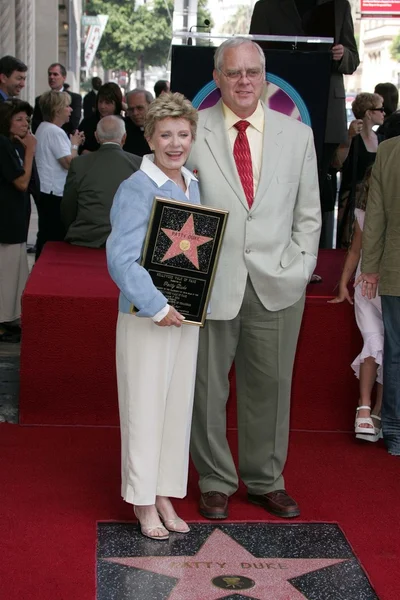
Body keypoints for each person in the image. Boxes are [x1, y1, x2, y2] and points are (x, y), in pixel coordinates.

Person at [187, 38, 321, 520]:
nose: (244, 81)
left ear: (265, 77)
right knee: (207, 388)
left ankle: (265, 479)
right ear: (217, 78)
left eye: (252, 72)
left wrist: (303, 267)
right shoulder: (191, 131)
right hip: (210, 283)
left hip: (278, 282)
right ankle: (215, 479)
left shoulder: (297, 136)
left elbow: (309, 214)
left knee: (271, 385)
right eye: (233, 72)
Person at [106, 92, 200, 540]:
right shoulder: (136, 187)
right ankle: (143, 501)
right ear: (150, 137)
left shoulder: (191, 182)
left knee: (175, 409)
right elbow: (121, 259)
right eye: (166, 135)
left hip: (185, 316)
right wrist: (158, 305)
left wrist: (185, 302)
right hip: (148, 317)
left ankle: (164, 492)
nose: (175, 143)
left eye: (183, 134)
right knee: (145, 409)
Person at [249, 0, 359, 248]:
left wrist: (344, 55)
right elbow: (252, 53)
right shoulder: (266, 6)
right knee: (273, 182)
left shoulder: (339, 5)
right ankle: (272, 248)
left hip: (326, 111)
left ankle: (311, 256)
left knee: (316, 189)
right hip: (278, 103)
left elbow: (353, 59)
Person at [328, 167, 383, 442]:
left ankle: (377, 411)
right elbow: (354, 250)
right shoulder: (364, 214)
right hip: (367, 288)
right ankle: (365, 408)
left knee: (389, 346)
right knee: (375, 342)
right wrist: (342, 284)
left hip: (389, 286)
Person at [355, 137, 400, 456]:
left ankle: (395, 431)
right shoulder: (388, 150)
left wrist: (370, 267)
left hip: (394, 268)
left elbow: (376, 216)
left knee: (396, 352)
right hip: (393, 269)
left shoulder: (389, 150)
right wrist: (369, 267)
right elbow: (375, 216)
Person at [61, 116, 141, 248]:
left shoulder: (79, 164)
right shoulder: (139, 164)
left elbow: (68, 206)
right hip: (127, 241)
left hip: (86, 238)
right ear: (124, 137)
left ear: (96, 137)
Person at [0, 99, 37, 343]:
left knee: (12, 270)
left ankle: (7, 318)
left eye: (27, 119)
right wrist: (31, 151)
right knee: (6, 271)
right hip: (6, 219)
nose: (25, 124)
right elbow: (21, 182)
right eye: (19, 119)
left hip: (13, 218)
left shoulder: (11, 144)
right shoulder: (3, 144)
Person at [34, 91, 85, 259]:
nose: (70, 110)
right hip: (54, 192)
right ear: (57, 110)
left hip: (46, 189)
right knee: (53, 235)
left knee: (45, 233)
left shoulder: (42, 128)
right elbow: (70, 163)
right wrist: (75, 145)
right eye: (67, 106)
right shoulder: (55, 132)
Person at [333, 92, 384, 249]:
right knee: (350, 245)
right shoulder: (353, 139)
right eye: (380, 109)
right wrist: (348, 137)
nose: (384, 112)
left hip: (375, 203)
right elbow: (338, 163)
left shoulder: (381, 139)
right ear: (369, 113)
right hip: (353, 203)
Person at [32, 63, 82, 135]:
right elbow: (35, 126)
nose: (51, 77)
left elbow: (73, 124)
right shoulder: (40, 99)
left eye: (55, 74)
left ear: (64, 77)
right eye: (50, 74)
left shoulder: (74, 98)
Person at [78, 82, 123, 154]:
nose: (102, 106)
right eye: (100, 102)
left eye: (107, 103)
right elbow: (78, 145)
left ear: (116, 104)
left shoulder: (123, 123)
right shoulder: (88, 122)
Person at [123, 88, 152, 156]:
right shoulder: (122, 128)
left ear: (151, 106)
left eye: (140, 108)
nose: (135, 113)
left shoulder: (162, 128)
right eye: (131, 109)